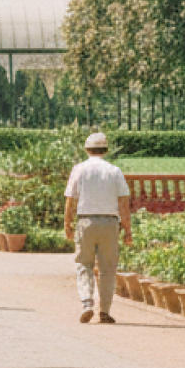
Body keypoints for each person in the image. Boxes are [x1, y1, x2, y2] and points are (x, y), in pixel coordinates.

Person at [63, 131, 133, 324]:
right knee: (107, 268)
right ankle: (104, 311)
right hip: (110, 222)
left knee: (84, 264)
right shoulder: (114, 171)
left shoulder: (79, 169)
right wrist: (127, 229)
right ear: (106, 150)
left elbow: (70, 200)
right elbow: (123, 202)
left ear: (87, 149)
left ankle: (87, 303)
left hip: (86, 221)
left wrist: (67, 223)